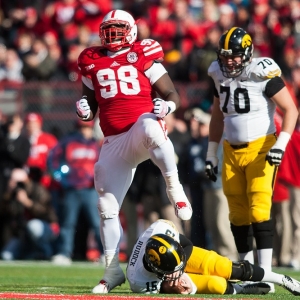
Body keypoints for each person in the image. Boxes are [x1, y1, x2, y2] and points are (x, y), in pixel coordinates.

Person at [75, 9, 192, 293]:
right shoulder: (91, 59)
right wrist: (85, 108)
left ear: (132, 30)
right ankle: (112, 269)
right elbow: (89, 100)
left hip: (140, 132)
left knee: (151, 123)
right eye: (108, 29)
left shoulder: (143, 53)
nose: (111, 34)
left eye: (118, 28)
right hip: (115, 141)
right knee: (106, 206)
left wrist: (168, 107)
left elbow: (171, 93)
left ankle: (173, 185)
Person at [204, 27, 298, 293]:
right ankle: (247, 272)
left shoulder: (262, 72)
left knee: (259, 207)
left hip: (262, 147)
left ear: (247, 53)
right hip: (231, 150)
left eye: (234, 55)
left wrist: (281, 144)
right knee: (237, 212)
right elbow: (217, 117)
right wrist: (211, 153)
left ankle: (265, 275)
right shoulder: (216, 72)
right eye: (225, 55)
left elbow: (291, 109)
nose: (229, 60)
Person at [126, 219, 300, 296]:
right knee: (214, 284)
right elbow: (163, 289)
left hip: (178, 255)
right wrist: (179, 288)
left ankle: (282, 279)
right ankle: (242, 290)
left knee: (224, 266)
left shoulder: (161, 229)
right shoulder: (139, 281)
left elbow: (186, 244)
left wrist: (181, 262)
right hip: (163, 278)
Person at [48, 119, 103, 265]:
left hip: (90, 190)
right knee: (68, 223)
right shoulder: (67, 143)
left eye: (87, 128)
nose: (85, 130)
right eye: (82, 127)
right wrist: (61, 179)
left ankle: (105, 254)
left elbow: (103, 165)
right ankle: (64, 253)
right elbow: (53, 160)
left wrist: (97, 181)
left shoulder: (96, 145)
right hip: (71, 190)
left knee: (97, 224)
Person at [0, 168, 59, 261]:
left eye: (19, 182)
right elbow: (6, 213)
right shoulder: (12, 195)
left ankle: (46, 253)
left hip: (45, 227)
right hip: (22, 233)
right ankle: (32, 253)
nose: (17, 185)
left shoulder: (38, 189)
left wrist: (26, 202)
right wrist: (8, 194)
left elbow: (45, 212)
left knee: (33, 226)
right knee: (6, 255)